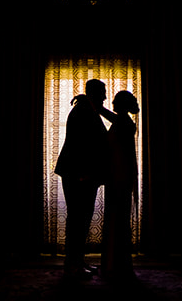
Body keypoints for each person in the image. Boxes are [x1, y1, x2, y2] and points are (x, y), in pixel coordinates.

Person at [55, 78, 110, 280]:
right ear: (94, 93)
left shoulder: (88, 109)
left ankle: (77, 261)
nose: (105, 96)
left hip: (82, 173)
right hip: (79, 174)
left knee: (81, 219)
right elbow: (81, 145)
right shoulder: (84, 111)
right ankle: (72, 264)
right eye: (102, 92)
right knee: (78, 219)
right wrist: (83, 173)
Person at [101, 90, 139, 286]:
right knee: (118, 219)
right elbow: (106, 113)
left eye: (115, 100)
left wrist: (93, 105)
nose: (112, 102)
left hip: (119, 175)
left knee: (117, 219)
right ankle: (117, 264)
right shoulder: (123, 121)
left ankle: (116, 265)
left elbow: (105, 113)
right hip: (119, 174)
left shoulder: (123, 122)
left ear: (121, 104)